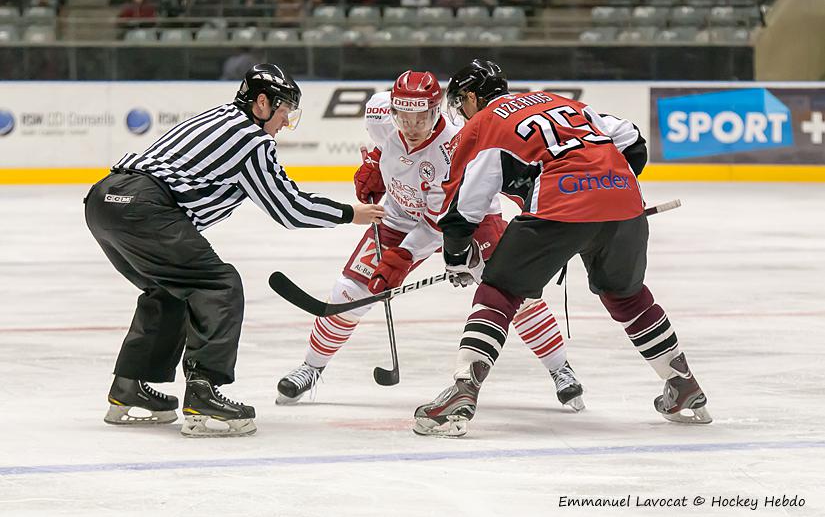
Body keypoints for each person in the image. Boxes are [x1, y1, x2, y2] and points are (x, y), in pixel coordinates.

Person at [413, 59, 712, 437]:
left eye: (461, 102)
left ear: (472, 97)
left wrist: (457, 256)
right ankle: (684, 386)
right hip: (622, 204)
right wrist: (605, 197)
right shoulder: (561, 102)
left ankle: (462, 392)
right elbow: (633, 141)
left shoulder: (485, 123)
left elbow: (465, 205)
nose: (462, 111)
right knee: (627, 295)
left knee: (498, 291)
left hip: (559, 211)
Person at [84, 63, 384, 437]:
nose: (285, 121)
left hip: (103, 200)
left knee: (169, 288)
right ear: (262, 103)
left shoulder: (217, 117)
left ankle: (129, 389)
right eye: (284, 110)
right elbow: (288, 209)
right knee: (219, 285)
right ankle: (203, 392)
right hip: (145, 209)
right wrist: (349, 213)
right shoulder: (252, 140)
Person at [276, 70, 583, 410]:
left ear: (436, 110)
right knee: (348, 293)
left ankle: (561, 370)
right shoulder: (383, 117)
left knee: (514, 293)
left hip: (469, 220)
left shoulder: (454, 147)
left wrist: (402, 257)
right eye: (403, 116)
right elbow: (384, 145)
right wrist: (377, 166)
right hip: (398, 218)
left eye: (421, 116)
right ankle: (311, 367)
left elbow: (439, 222)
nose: (411, 125)